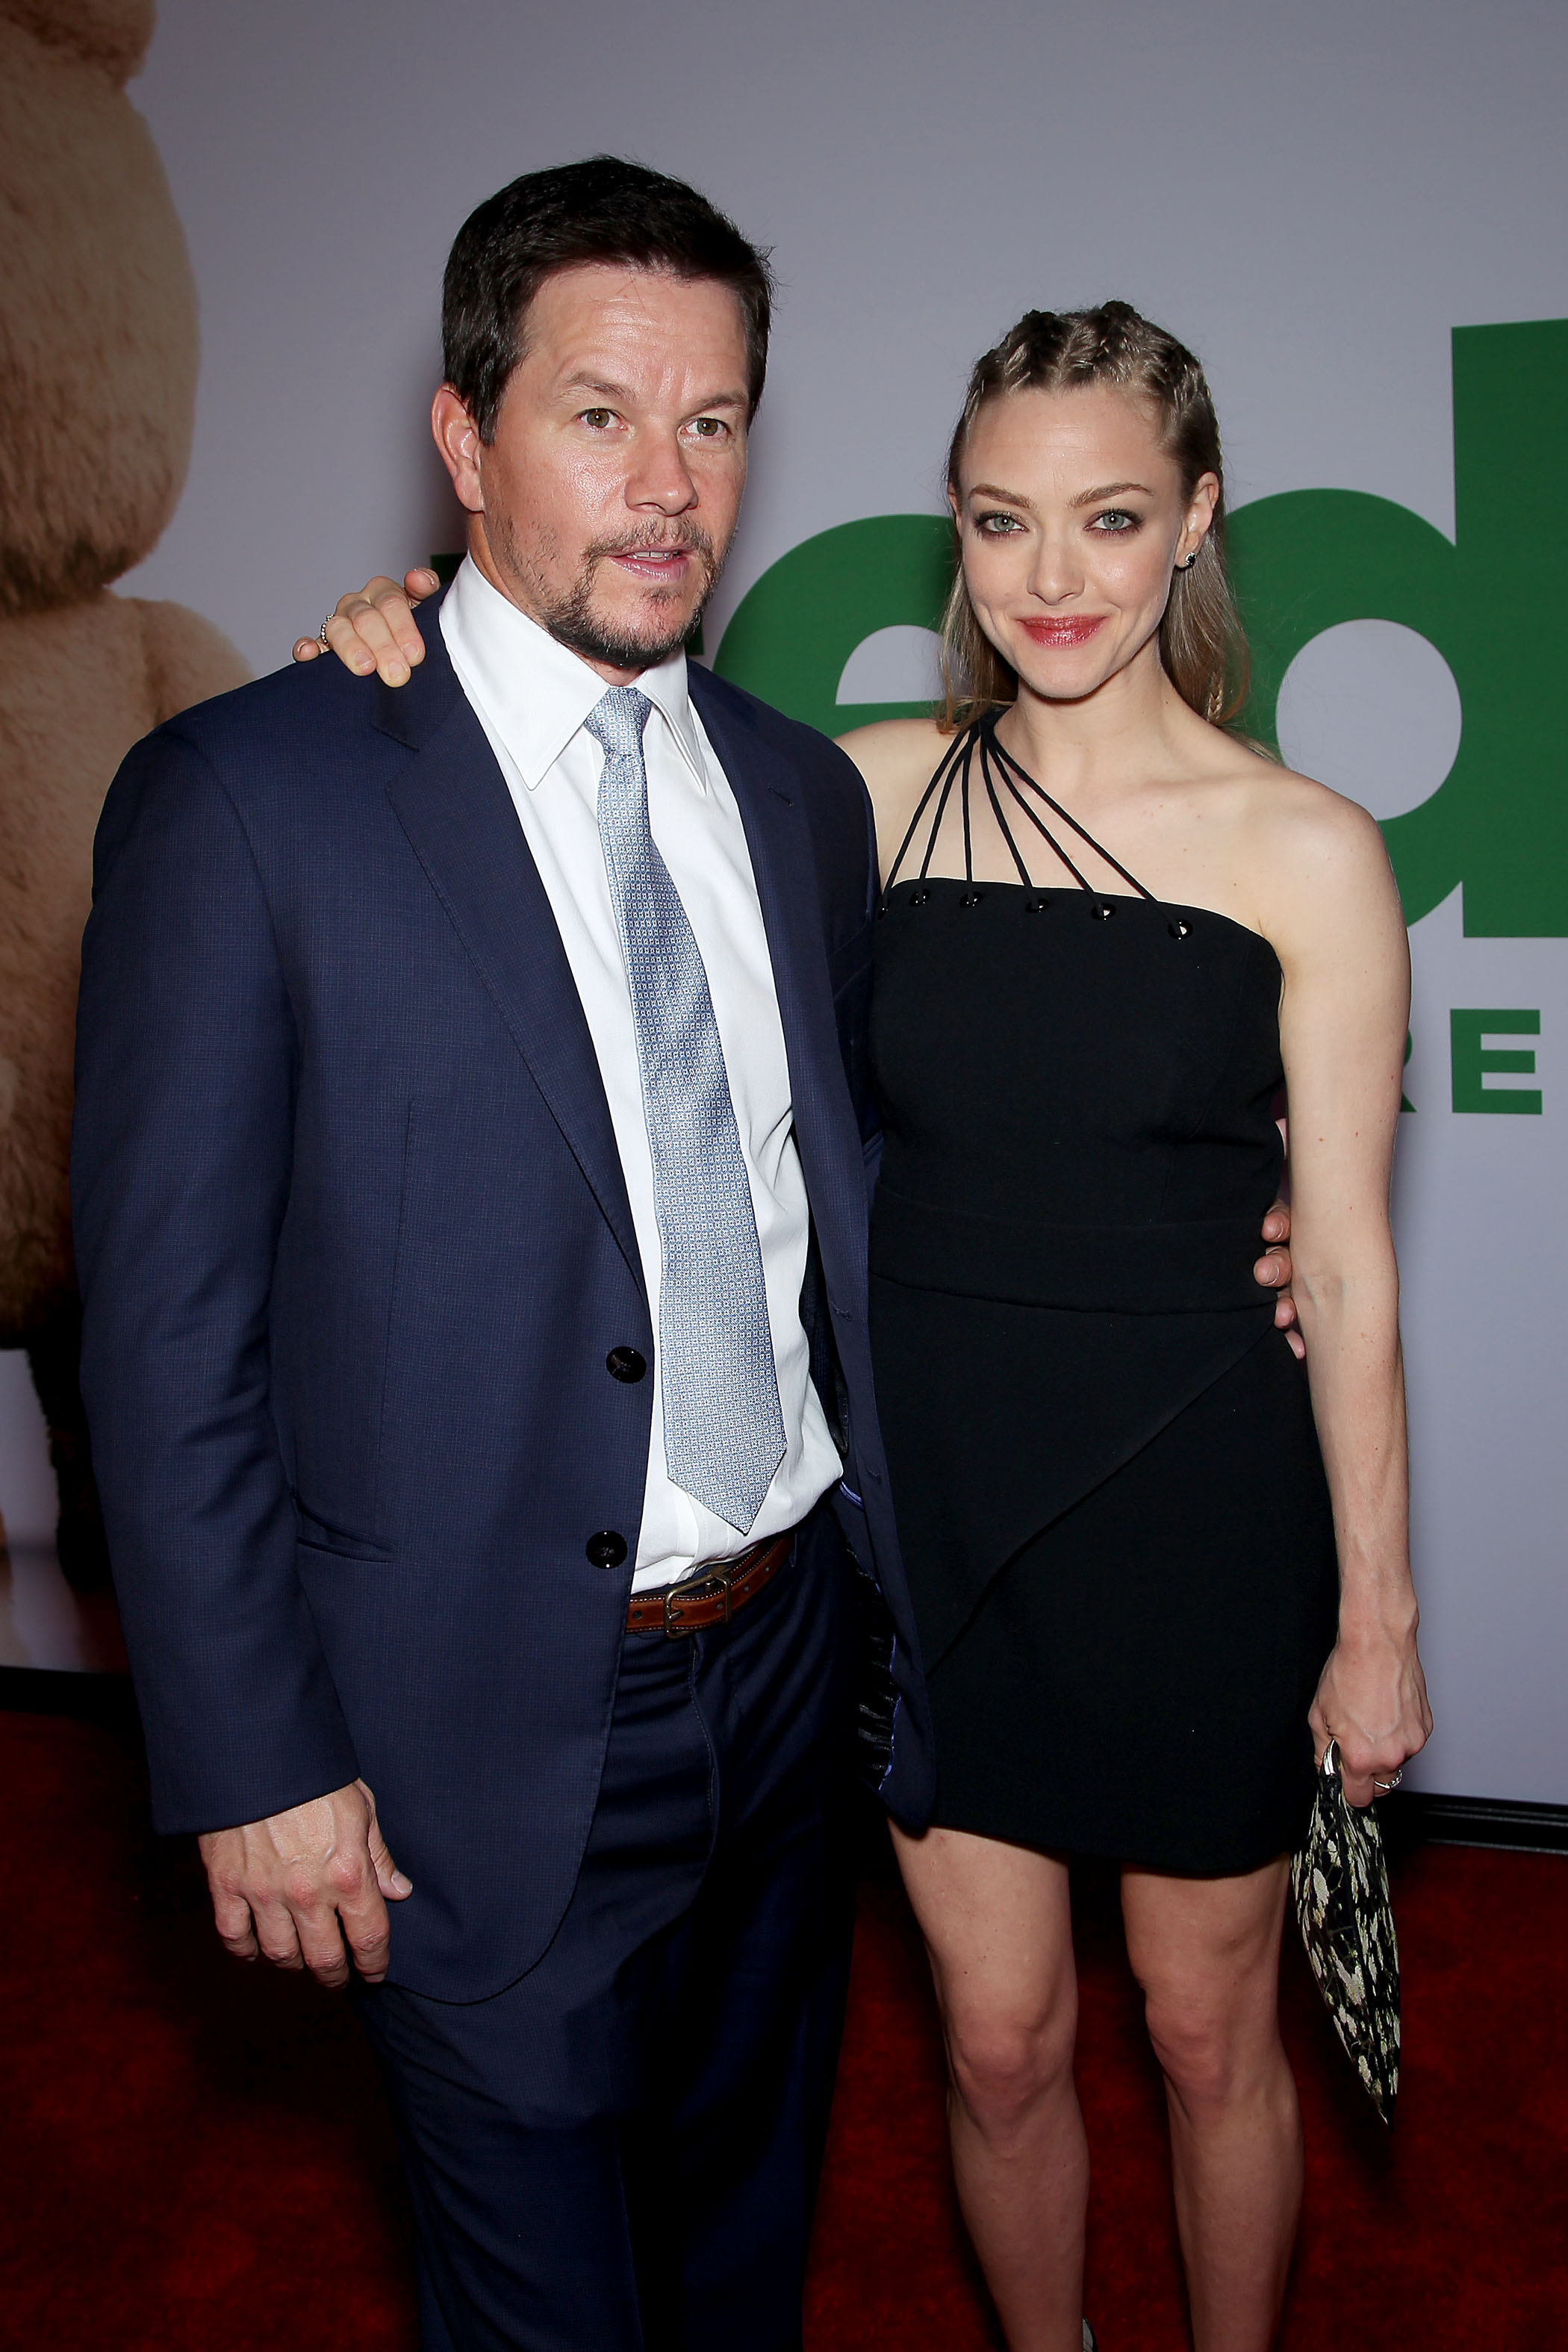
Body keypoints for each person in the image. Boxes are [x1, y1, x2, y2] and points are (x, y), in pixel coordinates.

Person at [307, 293, 1427, 2352]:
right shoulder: (857, 793)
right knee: (995, 2044)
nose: (1052, 576)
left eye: (1108, 519)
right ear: (953, 529)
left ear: (1196, 519)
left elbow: (1345, 1264)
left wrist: (1377, 1619)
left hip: (1197, 1515)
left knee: (1207, 2034)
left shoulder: (1311, 853)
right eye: (1001, 522)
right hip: (931, 1518)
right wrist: (402, 637)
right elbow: (568, 780)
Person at [73, 158, 940, 2352]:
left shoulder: (797, 797)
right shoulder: (251, 794)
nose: (669, 486)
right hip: (464, 1720)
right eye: (598, 416)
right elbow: (163, 1334)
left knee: (740, 2270)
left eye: (715, 422)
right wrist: (252, 1756)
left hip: (786, 1672)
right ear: (464, 439)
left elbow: (831, 1200)